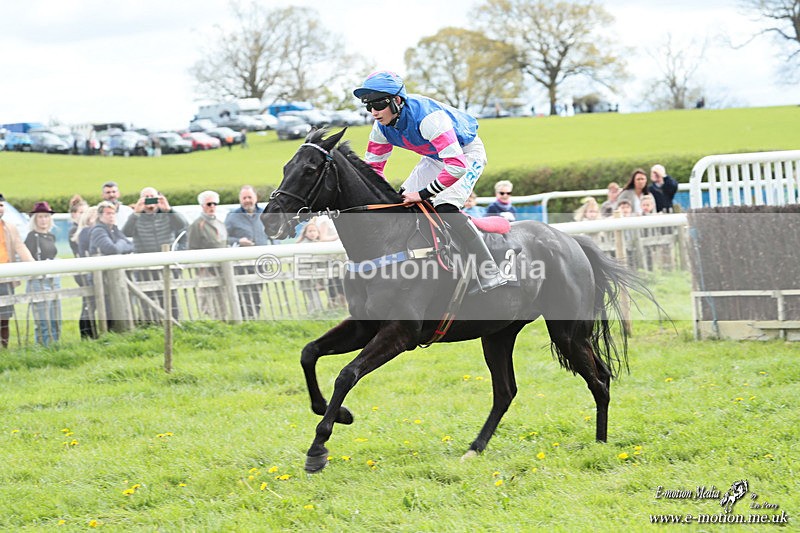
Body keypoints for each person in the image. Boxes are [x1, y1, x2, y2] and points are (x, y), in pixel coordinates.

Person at [355, 71, 505, 293]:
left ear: (397, 100)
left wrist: (423, 194)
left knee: (445, 207)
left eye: (378, 104)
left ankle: (489, 269)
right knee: (402, 204)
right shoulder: (381, 128)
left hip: (465, 154)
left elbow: (456, 166)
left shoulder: (428, 119)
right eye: (369, 106)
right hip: (435, 157)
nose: (374, 112)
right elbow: (373, 170)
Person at [122, 187, 188, 321]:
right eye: (146, 197)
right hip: (145, 266)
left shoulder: (166, 214)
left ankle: (174, 322)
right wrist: (135, 214)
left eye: (152, 196)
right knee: (148, 298)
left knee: (170, 297)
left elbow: (183, 225)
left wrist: (169, 210)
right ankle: (151, 324)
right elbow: (126, 233)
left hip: (167, 264)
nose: (150, 200)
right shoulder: (137, 217)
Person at [225, 185, 271, 318]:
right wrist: (239, 241)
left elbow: (275, 235)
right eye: (244, 198)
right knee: (243, 291)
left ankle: (254, 317)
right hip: (242, 263)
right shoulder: (232, 216)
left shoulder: (265, 214)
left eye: (249, 197)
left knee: (257, 290)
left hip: (261, 261)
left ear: (256, 198)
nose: (247, 200)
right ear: (240, 199)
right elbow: (224, 237)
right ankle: (244, 317)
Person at [24, 201, 61, 347]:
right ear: (35, 219)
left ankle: (55, 347)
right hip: (39, 282)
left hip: (53, 279)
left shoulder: (51, 236)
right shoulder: (32, 237)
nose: (44, 220)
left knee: (55, 318)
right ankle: (44, 349)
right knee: (43, 321)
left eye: (46, 216)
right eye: (40, 217)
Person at [0, 194, 35, 348]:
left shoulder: (9, 227)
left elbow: (20, 247)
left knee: (5, 318)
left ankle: (4, 348)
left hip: (6, 279)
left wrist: (33, 266)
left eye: (1, 205)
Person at [187, 191, 228, 319]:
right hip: (205, 270)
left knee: (222, 298)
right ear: (202, 205)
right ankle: (208, 321)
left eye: (214, 204)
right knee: (206, 299)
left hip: (221, 269)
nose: (212, 207)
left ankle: (223, 319)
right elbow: (192, 248)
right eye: (209, 204)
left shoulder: (221, 224)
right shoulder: (197, 225)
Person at [73, 206, 99, 339]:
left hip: (91, 272)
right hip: (88, 273)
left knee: (90, 305)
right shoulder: (86, 232)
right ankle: (87, 334)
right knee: (88, 305)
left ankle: (91, 333)